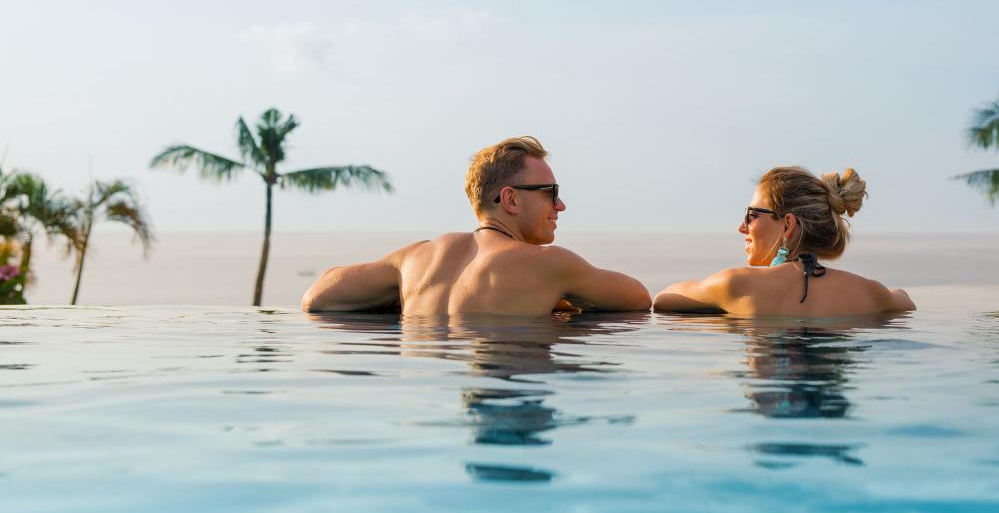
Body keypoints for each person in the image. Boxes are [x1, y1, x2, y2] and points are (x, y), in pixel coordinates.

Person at [301, 136, 651, 315]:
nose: (560, 205)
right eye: (550, 192)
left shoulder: (416, 258)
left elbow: (316, 297)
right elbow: (640, 299)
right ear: (511, 199)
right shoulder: (549, 264)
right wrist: (559, 295)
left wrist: (401, 295)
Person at [653, 166, 914, 317]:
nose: (742, 227)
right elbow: (905, 302)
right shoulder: (869, 293)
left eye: (752, 215)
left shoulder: (736, 285)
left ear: (787, 224)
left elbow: (663, 300)